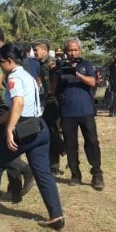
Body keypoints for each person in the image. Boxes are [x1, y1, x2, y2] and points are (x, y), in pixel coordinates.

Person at [0, 43, 65, 229]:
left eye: (1, 62)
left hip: (25, 129)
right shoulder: (27, 75)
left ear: (9, 61)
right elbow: (13, 109)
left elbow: (17, 105)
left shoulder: (14, 79)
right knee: (43, 173)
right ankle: (56, 215)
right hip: (39, 127)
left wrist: (9, 130)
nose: (0, 66)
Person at [51, 37, 103, 190]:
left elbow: (93, 82)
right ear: (65, 52)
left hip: (86, 110)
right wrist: (55, 73)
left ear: (80, 50)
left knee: (92, 142)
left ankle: (97, 173)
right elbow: (53, 90)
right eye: (70, 50)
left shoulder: (86, 64)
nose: (72, 53)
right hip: (67, 112)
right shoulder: (60, 66)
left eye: (75, 50)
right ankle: (75, 174)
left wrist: (77, 74)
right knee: (70, 145)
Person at [33, 39, 65, 175]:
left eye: (36, 50)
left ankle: (62, 151)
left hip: (56, 101)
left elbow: (56, 72)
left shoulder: (50, 62)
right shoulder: (40, 63)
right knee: (50, 130)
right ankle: (55, 161)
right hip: (49, 100)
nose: (34, 52)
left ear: (44, 50)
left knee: (51, 130)